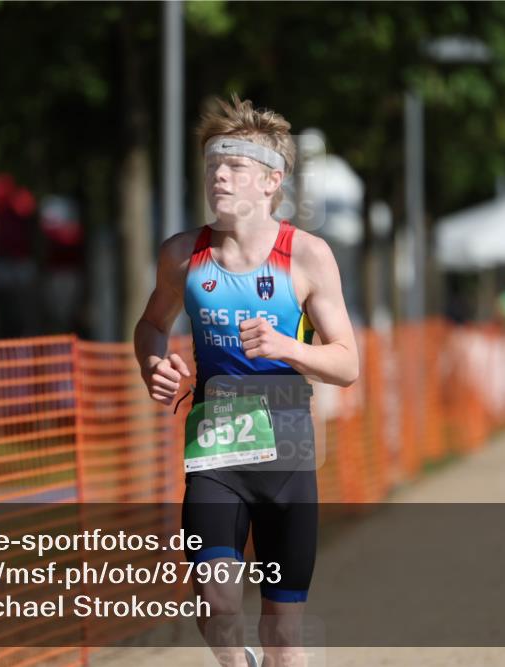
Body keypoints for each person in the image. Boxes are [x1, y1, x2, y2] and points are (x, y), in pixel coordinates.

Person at [134, 93, 359, 667]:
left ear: (270, 181)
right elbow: (151, 325)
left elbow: (347, 363)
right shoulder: (182, 255)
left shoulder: (307, 256)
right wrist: (153, 364)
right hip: (216, 454)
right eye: (213, 165)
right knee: (215, 605)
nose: (219, 176)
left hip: (289, 457)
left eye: (234, 166)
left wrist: (288, 347)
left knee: (284, 636)